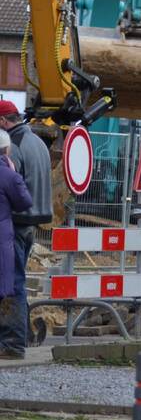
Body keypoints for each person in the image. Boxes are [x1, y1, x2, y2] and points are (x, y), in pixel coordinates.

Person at [0, 101, 50, 353]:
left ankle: (12, 343)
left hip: (15, 223)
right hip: (31, 222)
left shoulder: (14, 147)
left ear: (2, 122)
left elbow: (9, 186)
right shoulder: (38, 143)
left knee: (12, 283)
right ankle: (17, 336)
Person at [0, 130, 33, 359]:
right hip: (3, 239)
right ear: (7, 150)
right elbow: (24, 203)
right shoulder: (8, 176)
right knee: (9, 288)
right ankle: (12, 344)